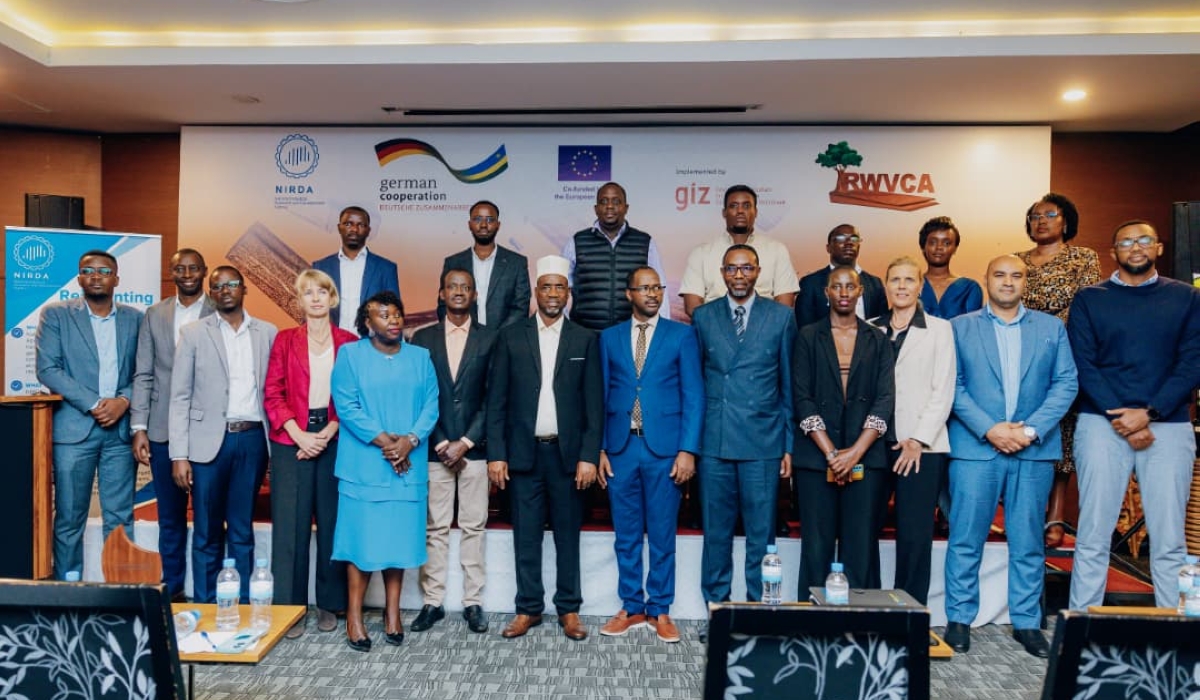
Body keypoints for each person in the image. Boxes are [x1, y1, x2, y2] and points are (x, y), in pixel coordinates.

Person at [942, 255, 1077, 658]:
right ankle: (959, 619)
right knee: (965, 538)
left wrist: (1030, 430)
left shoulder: (1051, 328)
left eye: (1016, 275)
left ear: (1025, 282)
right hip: (975, 448)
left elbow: (1066, 383)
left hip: (1032, 451)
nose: (1007, 281)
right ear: (986, 280)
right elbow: (952, 384)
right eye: (999, 274)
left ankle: (1027, 623)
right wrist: (989, 429)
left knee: (1028, 541)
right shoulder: (959, 327)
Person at [1067, 221, 1200, 611]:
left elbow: (1192, 362)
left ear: (1158, 248)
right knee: (1093, 535)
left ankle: (1174, 628)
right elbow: (1083, 364)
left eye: (1144, 240)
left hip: (1168, 425)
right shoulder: (1090, 298)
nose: (1135, 247)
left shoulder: (1187, 298)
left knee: (1170, 539)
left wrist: (1149, 413)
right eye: (1126, 242)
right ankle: (1082, 625)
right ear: (1113, 252)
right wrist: (1123, 419)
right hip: (1101, 423)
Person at [486, 255, 603, 641]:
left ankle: (569, 609)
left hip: (568, 458)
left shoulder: (585, 339)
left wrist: (589, 455)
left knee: (568, 536)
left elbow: (594, 405)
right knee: (526, 535)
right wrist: (497, 453)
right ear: (536, 291)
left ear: (569, 293)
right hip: (523, 455)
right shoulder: (511, 336)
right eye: (547, 287)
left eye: (560, 287)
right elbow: (497, 401)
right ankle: (528, 608)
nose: (553, 293)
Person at [691, 244, 795, 641]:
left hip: (763, 442)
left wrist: (788, 444)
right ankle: (717, 613)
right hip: (715, 441)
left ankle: (756, 614)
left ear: (758, 272)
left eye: (746, 268)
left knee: (760, 537)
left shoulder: (781, 316)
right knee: (716, 535)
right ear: (721, 272)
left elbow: (788, 385)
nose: (739, 275)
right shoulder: (703, 316)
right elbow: (695, 384)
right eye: (732, 268)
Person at [597, 267, 703, 643]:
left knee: (661, 534)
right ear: (629, 294)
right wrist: (600, 448)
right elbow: (600, 395)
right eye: (644, 288)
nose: (653, 293)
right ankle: (631, 606)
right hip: (621, 448)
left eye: (657, 287)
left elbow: (694, 395)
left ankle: (659, 608)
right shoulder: (609, 338)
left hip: (665, 450)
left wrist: (687, 450)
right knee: (626, 535)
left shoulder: (682, 335)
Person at [330, 291, 438, 652]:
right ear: (367, 322)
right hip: (364, 466)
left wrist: (409, 441)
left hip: (407, 466)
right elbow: (347, 406)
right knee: (361, 544)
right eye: (383, 314)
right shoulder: (350, 355)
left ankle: (393, 613)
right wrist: (388, 443)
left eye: (396, 313)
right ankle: (355, 616)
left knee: (398, 542)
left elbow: (431, 406)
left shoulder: (420, 357)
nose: (393, 320)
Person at [169, 265, 277, 602]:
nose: (225, 290)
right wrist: (179, 454)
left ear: (244, 289)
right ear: (211, 293)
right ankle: (205, 604)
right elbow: (180, 396)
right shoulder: (193, 333)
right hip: (206, 443)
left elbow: (274, 391)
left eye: (232, 284)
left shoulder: (268, 332)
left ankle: (242, 604)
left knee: (242, 528)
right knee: (206, 530)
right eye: (217, 286)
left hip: (252, 440)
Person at [36, 250, 142, 579]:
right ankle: (69, 593)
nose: (96, 276)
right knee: (70, 518)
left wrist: (123, 400)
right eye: (88, 270)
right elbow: (48, 369)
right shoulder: (56, 315)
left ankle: (120, 591)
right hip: (74, 430)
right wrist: (95, 404)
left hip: (119, 433)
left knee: (120, 517)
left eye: (104, 271)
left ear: (116, 279)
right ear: (80, 279)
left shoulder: (136, 319)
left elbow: (145, 371)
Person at [262, 269, 357, 638]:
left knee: (332, 524)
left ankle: (329, 604)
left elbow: (353, 396)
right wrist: (300, 436)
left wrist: (328, 431)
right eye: (308, 293)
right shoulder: (285, 340)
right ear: (299, 301)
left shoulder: (349, 342)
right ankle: (290, 608)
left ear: (332, 298)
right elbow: (273, 393)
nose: (316, 298)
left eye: (322, 292)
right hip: (292, 441)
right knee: (291, 526)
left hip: (335, 439)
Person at [793, 266, 894, 592]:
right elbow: (802, 398)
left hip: (865, 457)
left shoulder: (878, 339)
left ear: (861, 291)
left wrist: (854, 454)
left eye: (851, 286)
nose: (844, 292)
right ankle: (812, 618)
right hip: (816, 459)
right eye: (837, 286)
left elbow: (885, 400)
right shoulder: (808, 336)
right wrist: (832, 454)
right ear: (827, 293)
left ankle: (858, 616)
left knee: (860, 546)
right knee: (816, 547)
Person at [411, 269, 498, 635]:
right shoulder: (422, 338)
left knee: (474, 527)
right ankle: (432, 602)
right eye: (452, 286)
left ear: (475, 295)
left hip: (475, 451)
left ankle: (473, 602)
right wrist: (442, 441)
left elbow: (495, 395)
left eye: (466, 287)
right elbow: (419, 395)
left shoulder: (491, 337)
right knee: (435, 528)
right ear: (441, 293)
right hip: (436, 449)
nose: (459, 292)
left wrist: (467, 441)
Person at [1015, 192, 1100, 548]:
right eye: (1035, 216)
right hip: (1022, 358)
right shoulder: (1016, 261)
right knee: (1024, 428)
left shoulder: (1083, 258)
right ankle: (1025, 511)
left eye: (1050, 215)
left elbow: (1090, 306)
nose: (1041, 221)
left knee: (1062, 433)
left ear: (1066, 221)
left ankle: (1056, 512)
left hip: (1067, 354)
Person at [868, 257, 954, 604]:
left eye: (909, 280)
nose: (902, 286)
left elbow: (943, 389)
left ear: (920, 286)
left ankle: (909, 609)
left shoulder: (940, 329)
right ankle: (868, 603)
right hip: (873, 444)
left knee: (915, 534)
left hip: (921, 447)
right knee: (864, 529)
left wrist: (918, 439)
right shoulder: (869, 327)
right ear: (886, 286)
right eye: (895, 279)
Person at [130, 248, 213, 599]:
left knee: (209, 518)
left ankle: (209, 594)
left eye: (194, 268)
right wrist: (139, 427)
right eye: (181, 268)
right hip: (163, 429)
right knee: (170, 518)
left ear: (204, 272)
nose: (188, 274)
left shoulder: (221, 309)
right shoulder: (155, 314)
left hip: (210, 432)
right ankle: (173, 590)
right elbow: (144, 374)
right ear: (172, 272)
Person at [678, 185, 799, 318]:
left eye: (746, 206)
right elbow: (693, 307)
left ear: (756, 212)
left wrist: (755, 327)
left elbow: (784, 306)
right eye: (734, 206)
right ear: (724, 212)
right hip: (713, 328)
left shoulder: (777, 250)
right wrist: (722, 327)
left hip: (764, 328)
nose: (740, 211)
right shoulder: (701, 253)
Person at [561, 182, 669, 330]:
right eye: (604, 201)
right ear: (596, 209)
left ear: (626, 208)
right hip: (586, 334)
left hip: (630, 335)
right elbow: (560, 286)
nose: (610, 206)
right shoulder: (577, 241)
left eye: (616, 201)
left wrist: (662, 329)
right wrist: (566, 327)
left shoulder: (645, 242)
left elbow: (660, 288)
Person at [437, 200, 531, 330]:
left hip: (505, 339)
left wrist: (497, 337)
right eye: (477, 219)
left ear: (498, 225)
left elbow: (521, 308)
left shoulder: (516, 263)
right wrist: (463, 333)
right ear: (469, 225)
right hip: (464, 339)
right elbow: (443, 306)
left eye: (490, 220)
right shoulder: (453, 262)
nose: (483, 225)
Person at [312, 205, 401, 335]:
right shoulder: (321, 267)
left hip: (371, 344)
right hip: (332, 343)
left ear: (368, 230)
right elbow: (313, 311)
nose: (354, 229)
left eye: (361, 225)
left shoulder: (386, 268)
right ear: (339, 228)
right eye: (348, 224)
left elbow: (394, 314)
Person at [795, 224, 887, 328]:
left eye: (854, 239)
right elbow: (805, 330)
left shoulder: (875, 283)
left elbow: (883, 327)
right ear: (828, 248)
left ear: (859, 246)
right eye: (841, 238)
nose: (849, 243)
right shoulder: (810, 283)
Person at [918, 216, 983, 320]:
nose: (939, 247)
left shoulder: (969, 288)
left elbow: (972, 326)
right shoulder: (910, 285)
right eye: (933, 242)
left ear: (955, 249)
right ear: (923, 246)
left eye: (946, 243)